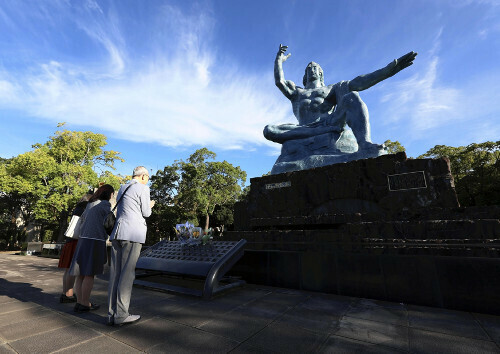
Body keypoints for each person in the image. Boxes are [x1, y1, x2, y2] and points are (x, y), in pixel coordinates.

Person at [264, 44, 417, 149]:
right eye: (309, 68)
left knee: (351, 97)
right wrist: (279, 60)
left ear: (320, 73)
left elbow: (359, 82)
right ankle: (316, 132)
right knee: (269, 129)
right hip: (305, 127)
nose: (312, 69)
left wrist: (386, 71)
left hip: (328, 122)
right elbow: (280, 82)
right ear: (304, 75)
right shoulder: (297, 92)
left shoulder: (332, 88)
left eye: (315, 68)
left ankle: (364, 143)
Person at [107, 166, 155, 326]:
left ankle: (112, 313)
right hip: (133, 234)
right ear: (143, 176)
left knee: (115, 274)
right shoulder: (143, 188)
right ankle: (121, 315)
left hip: (117, 233)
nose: (147, 180)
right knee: (127, 274)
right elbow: (146, 213)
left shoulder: (122, 188)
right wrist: (151, 204)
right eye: (147, 177)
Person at [69, 184, 115, 313]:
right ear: (109, 194)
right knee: (89, 274)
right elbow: (109, 223)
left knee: (81, 274)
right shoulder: (105, 205)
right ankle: (85, 303)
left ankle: (79, 302)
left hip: (83, 240)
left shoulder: (89, 204)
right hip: (95, 241)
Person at [57, 191, 93, 303]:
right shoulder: (84, 209)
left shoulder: (77, 208)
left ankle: (66, 293)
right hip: (77, 240)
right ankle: (68, 294)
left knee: (68, 269)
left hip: (70, 240)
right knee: (73, 270)